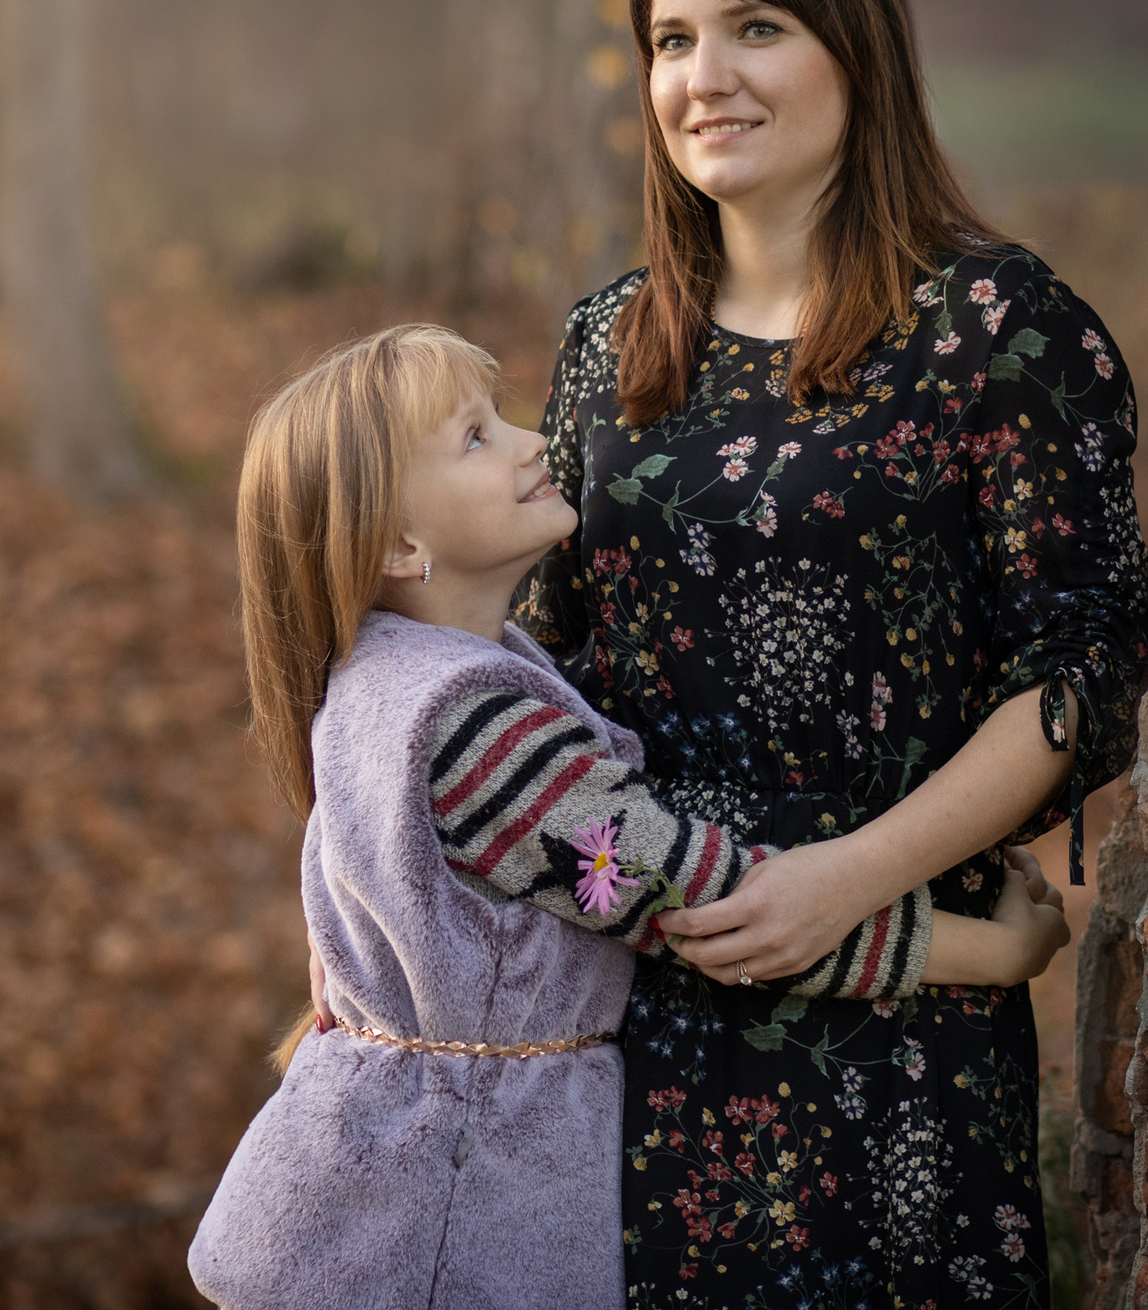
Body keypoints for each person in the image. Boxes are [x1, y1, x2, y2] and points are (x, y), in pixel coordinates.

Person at [515, 0, 1148, 1306]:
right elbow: (528, 688)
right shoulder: (607, 348)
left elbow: (1084, 674)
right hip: (624, 1011)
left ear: (855, 51)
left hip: (899, 1021)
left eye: (754, 28)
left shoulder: (999, 331)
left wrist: (847, 884)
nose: (705, 77)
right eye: (672, 42)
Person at [188, 324, 1072, 1310]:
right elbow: (713, 906)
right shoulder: (481, 737)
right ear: (399, 544)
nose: (532, 442)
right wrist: (990, 955)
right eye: (476, 438)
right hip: (440, 1218)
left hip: (382, 1177)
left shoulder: (385, 684)